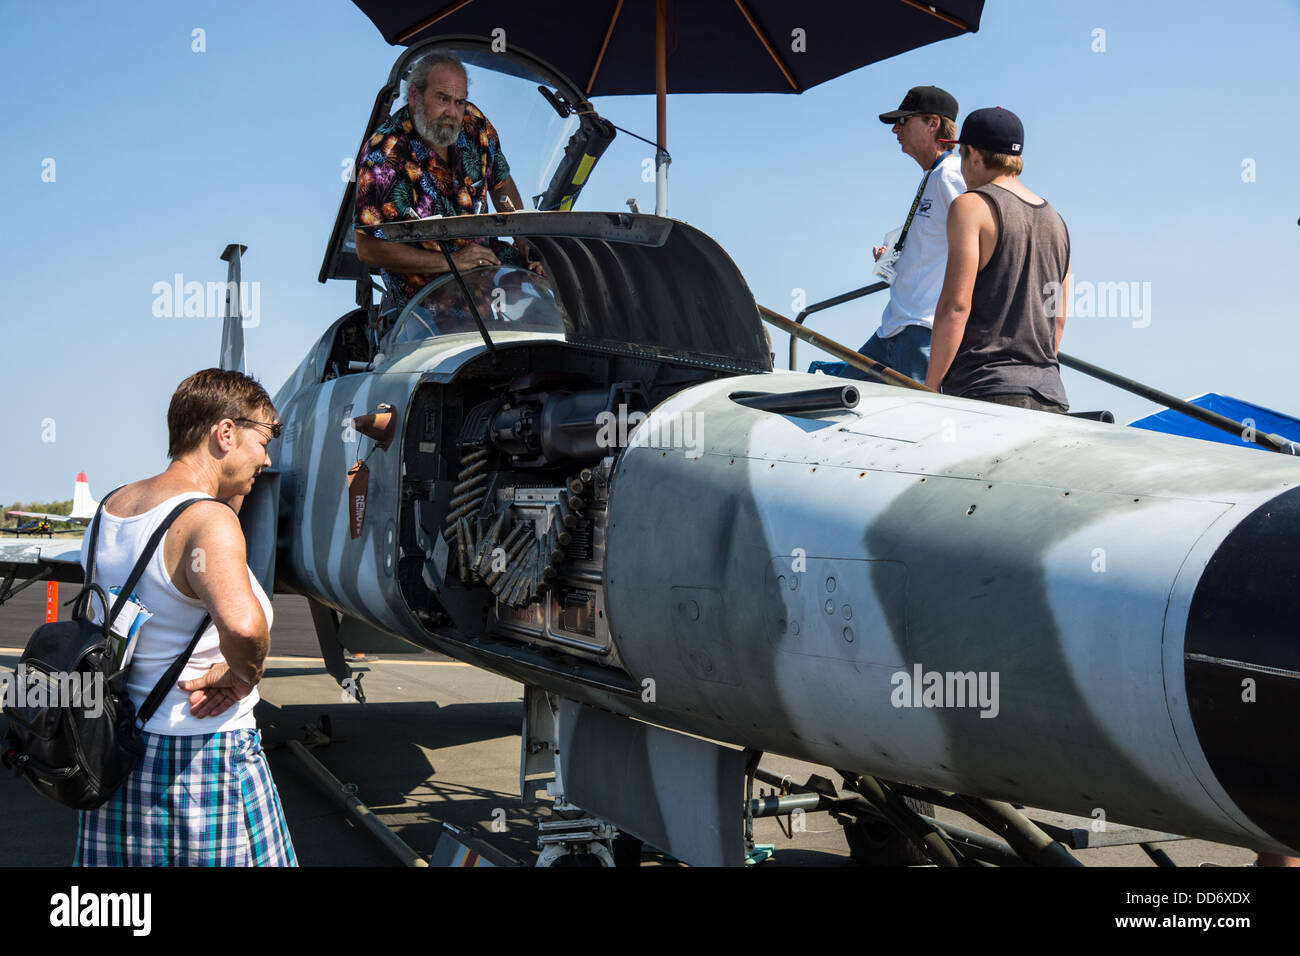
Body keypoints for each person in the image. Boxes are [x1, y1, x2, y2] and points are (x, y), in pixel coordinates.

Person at [74, 368, 296, 866]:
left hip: (118, 750)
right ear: (225, 433)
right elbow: (241, 625)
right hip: (203, 760)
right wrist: (243, 675)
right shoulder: (207, 519)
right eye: (264, 438)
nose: (266, 456)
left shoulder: (111, 506)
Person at [353, 51, 542, 322]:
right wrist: (453, 262)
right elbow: (368, 247)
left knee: (561, 291)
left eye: (459, 101)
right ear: (415, 96)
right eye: (443, 99)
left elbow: (501, 184)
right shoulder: (385, 154)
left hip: (488, 267)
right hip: (427, 303)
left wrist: (526, 244)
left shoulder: (474, 124)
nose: (452, 112)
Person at [814, 86, 964, 384]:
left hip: (922, 328)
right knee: (836, 397)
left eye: (904, 120)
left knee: (910, 424)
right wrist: (897, 259)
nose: (896, 129)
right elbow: (935, 245)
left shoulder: (950, 175)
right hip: (894, 328)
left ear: (933, 124)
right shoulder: (934, 176)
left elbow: (979, 240)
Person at [924, 107, 1071, 413]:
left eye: (962, 156)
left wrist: (929, 388)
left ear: (974, 155)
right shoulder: (1057, 220)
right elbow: (1057, 317)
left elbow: (955, 306)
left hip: (984, 391)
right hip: (1049, 394)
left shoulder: (971, 207)